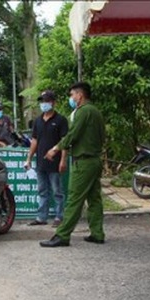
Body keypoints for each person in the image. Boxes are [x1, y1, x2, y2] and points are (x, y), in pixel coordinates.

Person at [40, 82, 105, 247]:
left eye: (72, 95)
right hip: (95, 160)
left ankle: (62, 235)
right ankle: (97, 233)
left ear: (80, 95)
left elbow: (73, 134)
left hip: (82, 162)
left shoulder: (83, 111)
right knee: (94, 199)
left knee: (74, 200)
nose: (71, 98)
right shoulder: (96, 111)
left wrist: (55, 149)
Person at [24, 90, 69, 227]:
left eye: (47, 101)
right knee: (42, 190)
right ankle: (41, 217)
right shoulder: (37, 121)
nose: (44, 104)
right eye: (42, 101)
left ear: (53, 103)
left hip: (54, 162)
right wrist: (29, 158)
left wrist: (63, 160)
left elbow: (65, 142)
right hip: (40, 162)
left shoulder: (60, 120)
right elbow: (34, 141)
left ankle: (59, 216)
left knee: (57, 191)